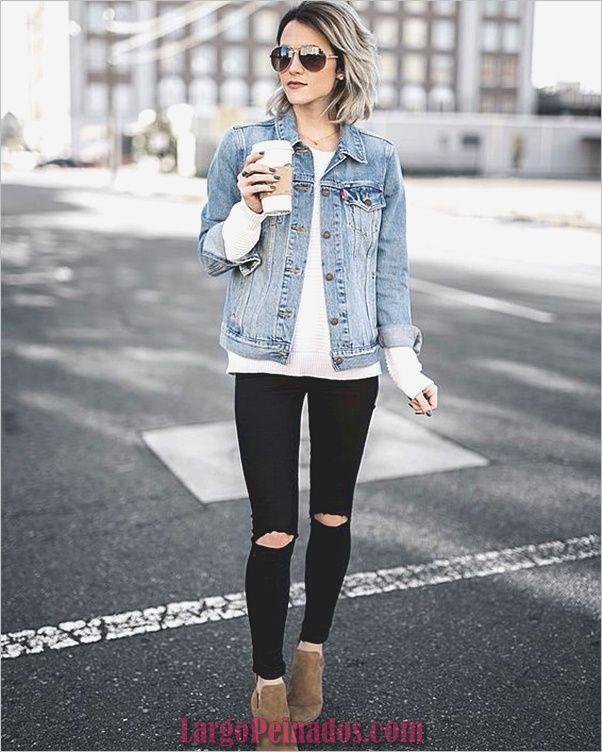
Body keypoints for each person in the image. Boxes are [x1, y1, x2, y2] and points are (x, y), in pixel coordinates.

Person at [197, 1, 438, 748]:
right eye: (282, 56)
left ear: (341, 65)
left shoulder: (378, 160)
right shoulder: (245, 144)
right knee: (273, 530)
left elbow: (389, 269)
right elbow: (211, 252)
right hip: (261, 359)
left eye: (309, 58)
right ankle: (269, 684)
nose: (291, 70)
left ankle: (312, 656)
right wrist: (247, 209)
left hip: (350, 366)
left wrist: (405, 364)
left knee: (333, 518)